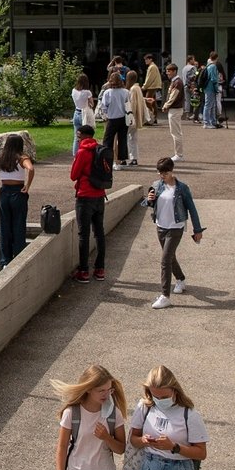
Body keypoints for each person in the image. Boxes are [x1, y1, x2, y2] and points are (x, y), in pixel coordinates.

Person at [144, 156, 205, 309]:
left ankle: (165, 296)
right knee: (170, 257)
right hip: (160, 226)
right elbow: (150, 204)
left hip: (175, 227)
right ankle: (181, 279)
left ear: (171, 171)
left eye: (164, 173)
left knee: (165, 260)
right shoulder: (157, 185)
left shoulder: (182, 188)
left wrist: (197, 229)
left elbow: (192, 208)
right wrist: (149, 199)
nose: (161, 176)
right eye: (159, 173)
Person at [0, 133, 35, 267]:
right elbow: (31, 169)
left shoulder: (0, 159)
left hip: (4, 192)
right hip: (18, 192)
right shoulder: (22, 158)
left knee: (4, 226)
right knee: (18, 225)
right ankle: (19, 256)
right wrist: (27, 185)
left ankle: (5, 260)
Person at [68, 126, 111, 281]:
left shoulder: (82, 152)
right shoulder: (101, 150)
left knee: (83, 235)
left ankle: (84, 271)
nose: (77, 138)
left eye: (79, 136)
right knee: (99, 233)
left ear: (84, 136)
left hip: (85, 197)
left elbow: (74, 175)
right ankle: (100, 269)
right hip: (100, 195)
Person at [96, 73, 133, 168]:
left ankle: (108, 159)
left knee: (108, 140)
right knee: (122, 140)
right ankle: (121, 160)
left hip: (112, 118)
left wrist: (105, 115)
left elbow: (104, 106)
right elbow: (128, 104)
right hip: (123, 118)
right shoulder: (126, 92)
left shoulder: (107, 92)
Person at [162, 66, 188, 163]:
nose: (167, 73)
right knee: (176, 133)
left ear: (174, 71)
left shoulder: (177, 82)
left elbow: (173, 96)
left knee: (176, 133)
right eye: (167, 71)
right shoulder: (175, 82)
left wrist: (165, 106)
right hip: (174, 109)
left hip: (175, 110)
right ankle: (178, 154)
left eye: (169, 71)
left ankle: (179, 154)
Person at [202, 52, 224, 129]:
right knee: (209, 105)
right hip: (211, 88)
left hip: (207, 88)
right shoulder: (213, 66)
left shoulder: (208, 65)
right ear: (216, 58)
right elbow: (214, 79)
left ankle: (212, 122)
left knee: (211, 105)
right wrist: (217, 88)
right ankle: (207, 123)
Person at [142, 53, 164, 127]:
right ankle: (154, 118)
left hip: (152, 86)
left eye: (146, 59)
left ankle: (150, 118)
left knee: (148, 102)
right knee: (153, 102)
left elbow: (149, 78)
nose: (145, 61)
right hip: (154, 86)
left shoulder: (152, 67)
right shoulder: (153, 66)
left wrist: (144, 87)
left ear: (150, 59)